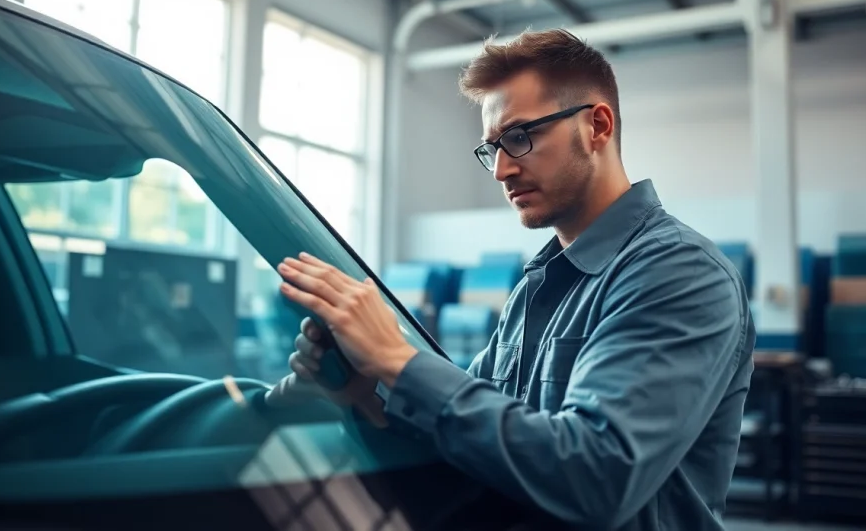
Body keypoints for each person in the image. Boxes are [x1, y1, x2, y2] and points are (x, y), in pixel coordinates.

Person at [267, 28, 756, 530]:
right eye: (492, 148)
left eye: (519, 137)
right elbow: (469, 450)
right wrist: (364, 396)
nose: (501, 170)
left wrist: (398, 359)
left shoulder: (680, 274)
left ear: (597, 126)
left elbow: (597, 477)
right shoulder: (534, 289)